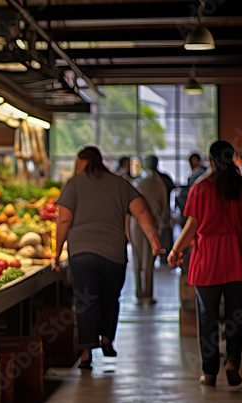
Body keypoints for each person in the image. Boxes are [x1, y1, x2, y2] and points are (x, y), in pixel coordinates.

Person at [168, 140, 242, 387]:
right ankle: (232, 360)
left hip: (207, 260)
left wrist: (176, 250)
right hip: (239, 258)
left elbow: (191, 228)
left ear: (210, 160)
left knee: (207, 318)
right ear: (233, 158)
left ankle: (209, 372)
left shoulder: (200, 190)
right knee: (236, 316)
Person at [53, 146, 163, 368]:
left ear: (83, 162)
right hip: (114, 254)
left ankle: (85, 353)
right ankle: (107, 340)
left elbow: (64, 220)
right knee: (110, 297)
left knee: (85, 301)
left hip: (82, 254)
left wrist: (57, 252)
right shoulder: (120, 184)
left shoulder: (73, 185)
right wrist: (154, 241)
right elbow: (141, 212)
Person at [130, 156, 172, 303]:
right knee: (148, 260)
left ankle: (139, 292)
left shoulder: (136, 181)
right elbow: (164, 208)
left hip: (135, 223)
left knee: (136, 257)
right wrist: (161, 227)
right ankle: (147, 294)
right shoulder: (159, 182)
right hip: (152, 224)